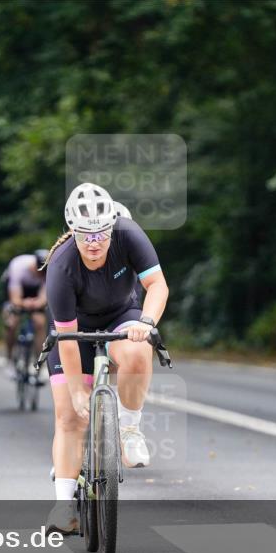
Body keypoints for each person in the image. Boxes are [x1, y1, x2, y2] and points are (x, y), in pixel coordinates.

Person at [42, 183, 168, 534]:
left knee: (141, 352)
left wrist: (146, 322)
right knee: (69, 417)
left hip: (121, 316)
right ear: (72, 232)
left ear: (112, 227)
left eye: (100, 233)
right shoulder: (61, 266)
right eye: (85, 235)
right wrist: (78, 391)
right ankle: (63, 506)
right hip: (74, 332)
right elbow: (66, 336)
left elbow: (157, 285)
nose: (94, 242)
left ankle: (129, 428)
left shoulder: (129, 234)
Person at [1, 249, 50, 377]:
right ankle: (9, 359)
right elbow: (14, 298)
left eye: (43, 272)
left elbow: (44, 297)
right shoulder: (18, 266)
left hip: (35, 294)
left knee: (39, 322)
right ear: (34, 265)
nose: (40, 275)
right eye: (39, 271)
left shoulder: (49, 270)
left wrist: (36, 304)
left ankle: (39, 363)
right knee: (11, 322)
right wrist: (23, 303)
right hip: (16, 289)